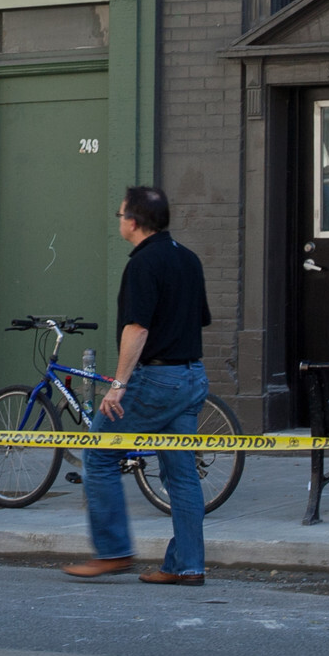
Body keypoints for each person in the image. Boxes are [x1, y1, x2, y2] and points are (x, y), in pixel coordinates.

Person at [64, 186, 211, 587]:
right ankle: (187, 564)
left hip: (156, 378)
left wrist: (119, 385)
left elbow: (138, 327)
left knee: (98, 455)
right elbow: (197, 320)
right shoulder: (189, 259)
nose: (120, 220)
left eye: (121, 214)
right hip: (191, 375)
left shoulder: (144, 265)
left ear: (133, 221)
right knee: (181, 474)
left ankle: (112, 552)